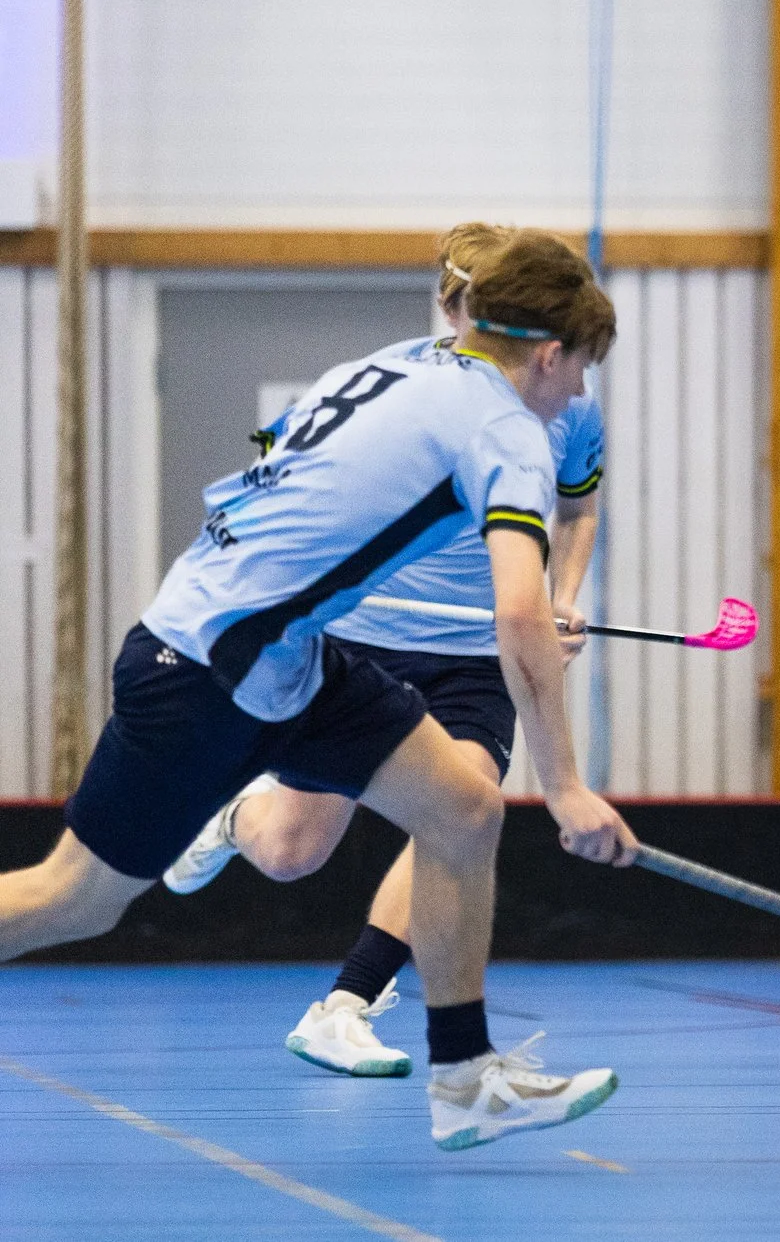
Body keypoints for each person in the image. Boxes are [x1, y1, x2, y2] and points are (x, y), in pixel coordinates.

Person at [0, 230, 635, 1152]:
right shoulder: (509, 427)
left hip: (281, 653)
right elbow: (521, 619)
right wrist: (569, 786)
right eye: (578, 368)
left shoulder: (389, 365)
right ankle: (459, 1069)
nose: (578, 392)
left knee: (463, 809)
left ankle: (466, 1077)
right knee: (76, 898)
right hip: (208, 667)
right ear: (547, 353)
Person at [156, 223, 606, 1083]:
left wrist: (559, 598)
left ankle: (347, 1005)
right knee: (293, 850)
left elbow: (578, 510)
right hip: (366, 643)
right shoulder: (393, 383)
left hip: (478, 657)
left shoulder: (565, 402)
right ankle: (226, 813)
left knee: (463, 810)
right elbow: (283, 477)